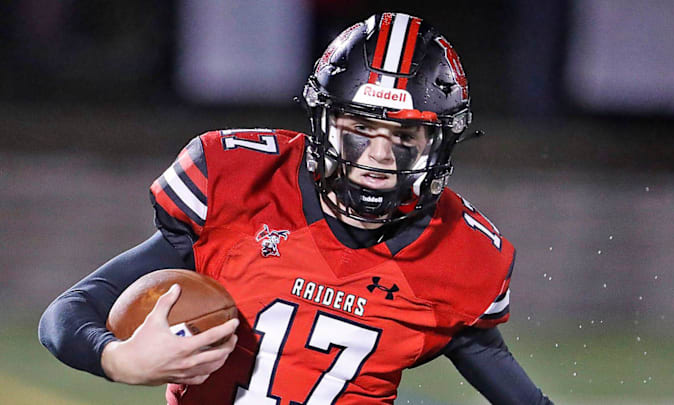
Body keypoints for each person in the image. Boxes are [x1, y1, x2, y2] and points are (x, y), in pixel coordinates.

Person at [38, 12, 553, 405]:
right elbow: (66, 315)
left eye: (405, 136)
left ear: (438, 143)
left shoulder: (461, 254)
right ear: (324, 123)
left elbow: (481, 350)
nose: (378, 156)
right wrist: (121, 358)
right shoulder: (242, 185)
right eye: (359, 129)